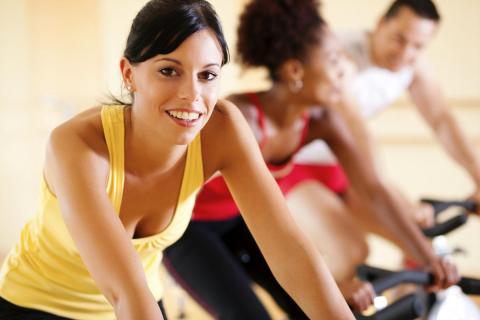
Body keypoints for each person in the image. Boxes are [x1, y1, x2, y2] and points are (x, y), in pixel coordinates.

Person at [0, 1, 354, 319]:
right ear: (129, 74)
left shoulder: (224, 128)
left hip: (139, 302)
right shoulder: (76, 145)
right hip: (36, 305)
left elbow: (290, 250)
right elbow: (122, 291)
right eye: (169, 71)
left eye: (208, 75)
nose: (192, 95)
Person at [164, 0, 459, 316]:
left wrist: (428, 258)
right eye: (333, 61)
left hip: (239, 221)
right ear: (295, 71)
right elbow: (161, 193)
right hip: (186, 230)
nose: (344, 74)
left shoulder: (322, 121)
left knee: (320, 309)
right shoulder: (242, 120)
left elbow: (374, 190)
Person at [299, 0, 480, 224]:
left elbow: (442, 121)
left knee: (412, 234)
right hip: (296, 161)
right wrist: (398, 200)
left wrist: (478, 177)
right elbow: (356, 129)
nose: (405, 53)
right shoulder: (340, 55)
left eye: (418, 46)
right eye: (399, 39)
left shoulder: (413, 65)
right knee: (368, 239)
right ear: (380, 23)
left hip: (336, 163)